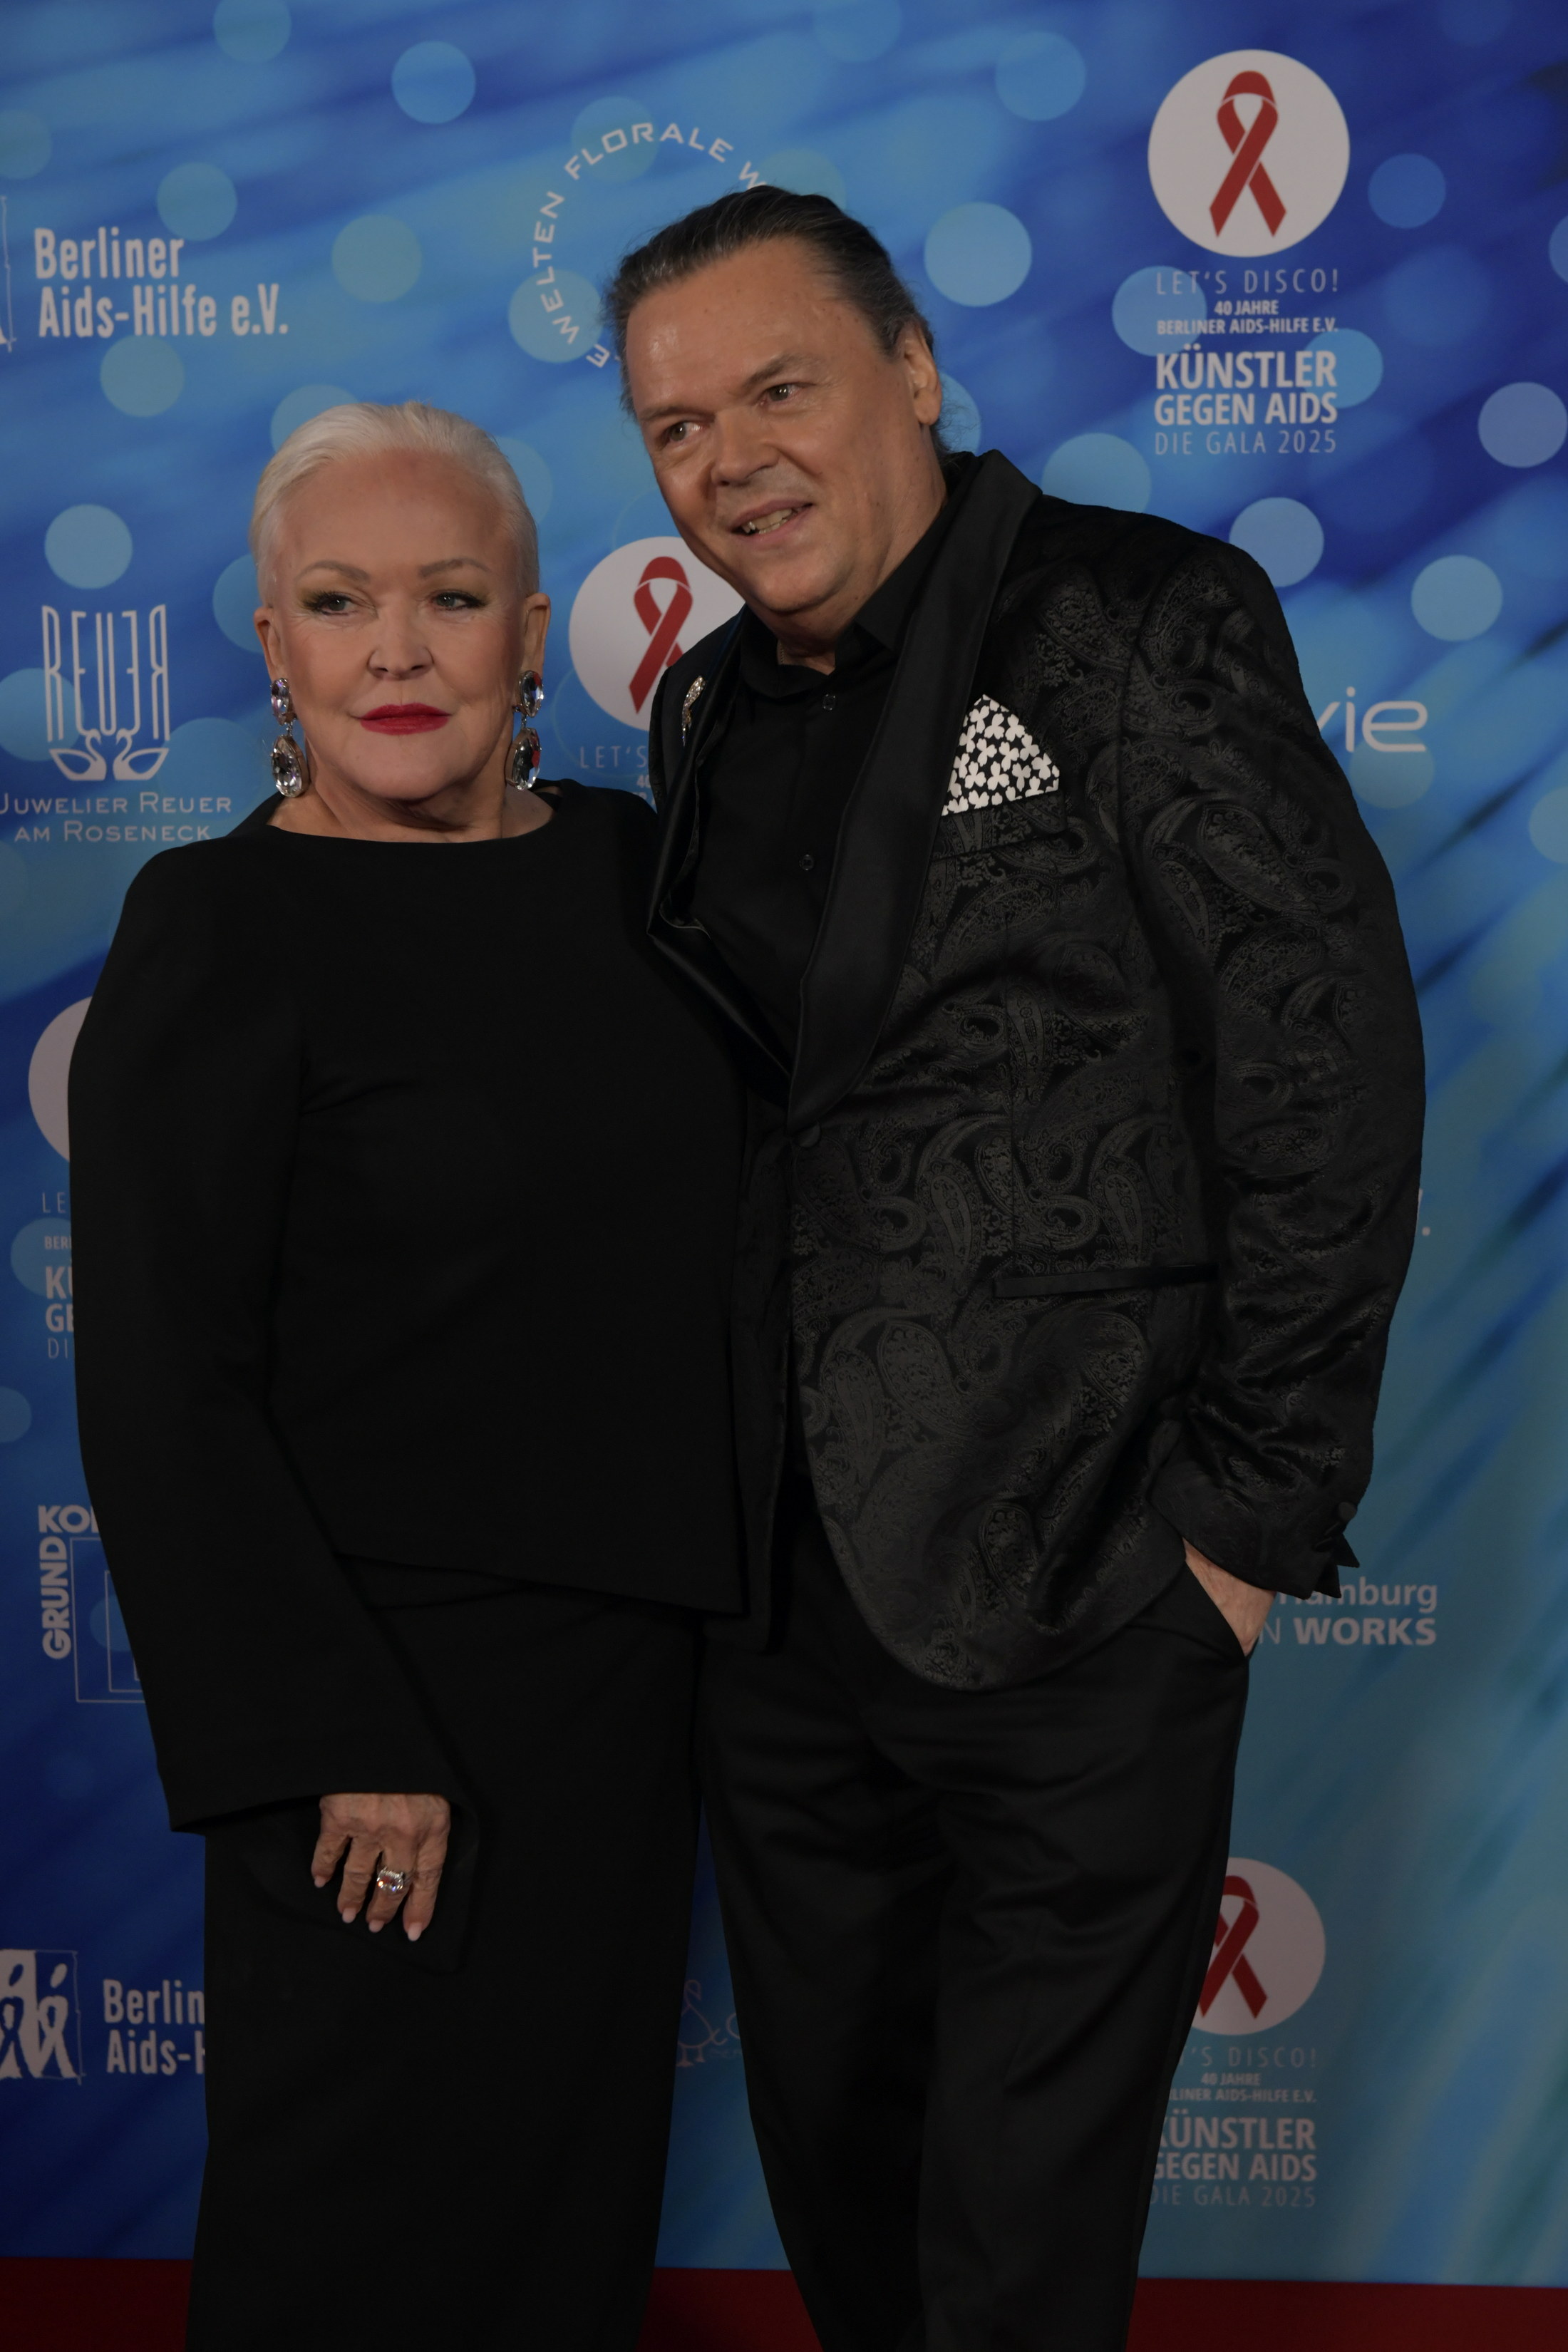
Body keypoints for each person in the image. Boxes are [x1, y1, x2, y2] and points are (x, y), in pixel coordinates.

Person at [610, 189, 1425, 2351]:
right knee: (850, 2205)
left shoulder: (1137, 622)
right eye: (677, 427)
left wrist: (1236, 1533)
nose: (729, 461)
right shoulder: (701, 708)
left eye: (779, 389)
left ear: (911, 370)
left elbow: (1322, 1059)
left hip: (1084, 1576)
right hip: (782, 1612)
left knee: (1015, 2258)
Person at [68, 401, 743, 2352]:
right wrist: (335, 1734)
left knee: (563, 2231)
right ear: (274, 645)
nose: (395, 650)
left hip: (623, 1699)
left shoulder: (639, 877)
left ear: (529, 637)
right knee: (348, 2241)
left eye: (449, 599)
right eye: (339, 601)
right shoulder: (217, 926)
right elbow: (166, 1386)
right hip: (372, 1717)